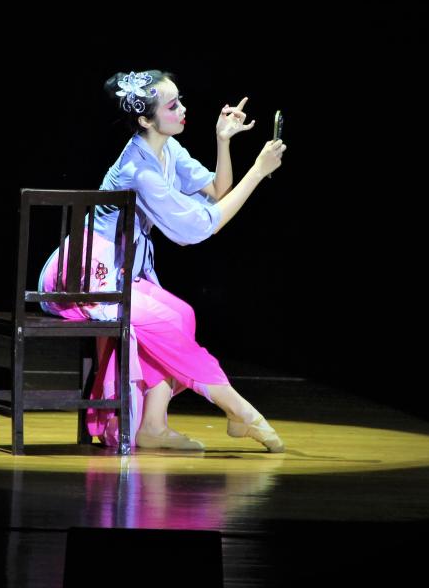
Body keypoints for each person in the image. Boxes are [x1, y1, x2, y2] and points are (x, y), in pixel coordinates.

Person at [37, 70, 287, 451]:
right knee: (168, 324)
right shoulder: (139, 169)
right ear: (145, 120)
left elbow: (217, 192)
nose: (183, 109)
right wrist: (257, 172)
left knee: (183, 315)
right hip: (83, 277)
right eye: (172, 106)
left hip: (120, 273)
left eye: (179, 101)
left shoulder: (168, 149)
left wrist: (223, 141)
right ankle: (240, 410)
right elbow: (199, 228)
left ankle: (153, 425)